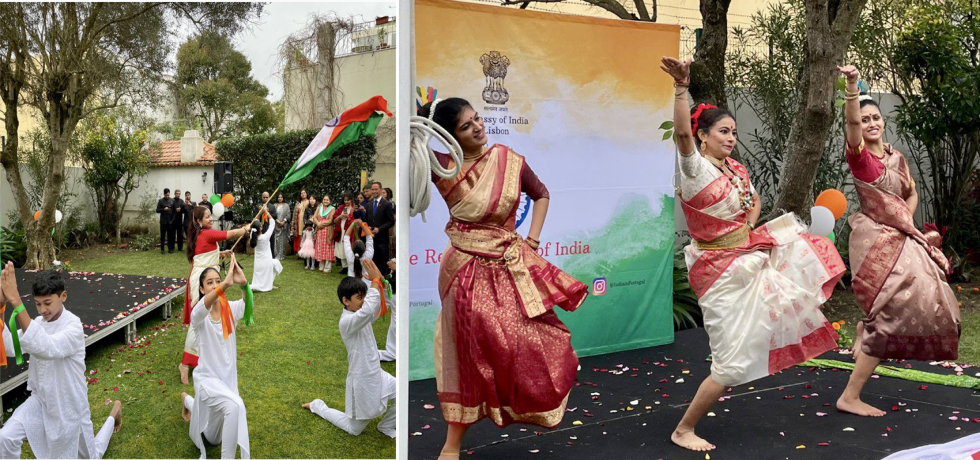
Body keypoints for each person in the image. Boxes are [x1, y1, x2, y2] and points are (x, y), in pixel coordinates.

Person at [660, 57, 846, 452]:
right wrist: (681, 86)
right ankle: (683, 430)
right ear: (703, 136)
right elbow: (679, 133)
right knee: (728, 363)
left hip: (745, 257)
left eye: (734, 131)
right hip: (717, 271)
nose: (731, 137)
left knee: (799, 265)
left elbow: (753, 201)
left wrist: (746, 228)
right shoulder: (696, 170)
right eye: (723, 131)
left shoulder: (735, 169)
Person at [418, 98, 589, 460]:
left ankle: (518, 407)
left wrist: (533, 240)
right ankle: (452, 444)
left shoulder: (508, 160)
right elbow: (413, 156)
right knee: (465, 354)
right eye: (466, 126)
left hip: (509, 267)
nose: (478, 126)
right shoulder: (440, 167)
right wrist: (417, 125)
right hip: (463, 269)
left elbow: (540, 194)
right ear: (452, 136)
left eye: (477, 118)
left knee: (524, 343)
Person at [835, 65, 960, 417]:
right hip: (874, 240)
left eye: (875, 117)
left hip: (901, 237)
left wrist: (904, 220)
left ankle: (865, 328)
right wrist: (851, 87)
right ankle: (850, 396)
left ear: (882, 121)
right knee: (889, 312)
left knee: (929, 298)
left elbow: (911, 193)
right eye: (864, 119)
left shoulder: (896, 157)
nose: (870, 122)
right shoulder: (859, 158)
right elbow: (851, 127)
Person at [0, 264, 122, 459]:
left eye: (47, 303)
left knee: (93, 455)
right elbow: (8, 346)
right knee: (5, 437)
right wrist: (1, 305)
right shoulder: (38, 324)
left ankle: (114, 411)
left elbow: (46, 347)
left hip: (69, 407)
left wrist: (16, 300)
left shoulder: (73, 326)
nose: (42, 310)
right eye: (38, 304)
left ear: (63, 296)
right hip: (40, 402)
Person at [302, 262, 396, 439]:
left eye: (364, 296)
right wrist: (375, 280)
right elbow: (369, 309)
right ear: (346, 301)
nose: (364, 301)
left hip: (376, 373)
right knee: (354, 429)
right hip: (362, 380)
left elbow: (382, 304)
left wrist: (382, 281)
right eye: (359, 297)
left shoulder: (361, 315)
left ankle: (387, 427)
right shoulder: (347, 321)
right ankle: (317, 406)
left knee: (402, 392)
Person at [180, 255, 251, 459]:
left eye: (218, 281)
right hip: (207, 382)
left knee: (213, 438)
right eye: (209, 283)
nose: (215, 285)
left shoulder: (230, 309)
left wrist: (244, 284)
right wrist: (224, 286)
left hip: (226, 384)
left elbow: (247, 306)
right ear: (202, 289)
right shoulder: (199, 316)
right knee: (235, 405)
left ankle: (186, 401)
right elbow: (199, 311)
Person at [180, 206, 251, 385]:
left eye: (211, 216)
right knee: (200, 319)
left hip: (203, 277)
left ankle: (198, 358)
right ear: (198, 221)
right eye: (207, 217)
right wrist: (244, 229)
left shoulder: (200, 234)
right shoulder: (208, 233)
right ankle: (185, 363)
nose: (211, 219)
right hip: (203, 282)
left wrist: (219, 254)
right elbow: (228, 234)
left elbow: (202, 254)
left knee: (205, 319)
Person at [365, 182, 394, 277]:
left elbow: (391, 221)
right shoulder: (369, 205)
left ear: (381, 190)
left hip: (382, 240)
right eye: (372, 189)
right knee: (373, 263)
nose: (374, 191)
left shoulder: (386, 204)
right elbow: (366, 220)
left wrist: (379, 229)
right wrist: (367, 227)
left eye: (376, 189)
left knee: (383, 265)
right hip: (371, 240)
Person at [250, 211, 281, 292]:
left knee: (275, 263)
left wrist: (260, 213)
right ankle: (268, 285)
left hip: (258, 263)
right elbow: (272, 223)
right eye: (261, 225)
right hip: (266, 262)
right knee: (275, 263)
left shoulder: (252, 236)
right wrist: (266, 212)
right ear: (260, 228)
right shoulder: (265, 237)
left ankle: (268, 284)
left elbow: (255, 222)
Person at [314, 195, 337, 273]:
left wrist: (321, 224)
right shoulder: (319, 208)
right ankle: (321, 267)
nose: (325, 201)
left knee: (327, 248)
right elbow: (314, 218)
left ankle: (327, 268)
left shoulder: (332, 209)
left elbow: (331, 220)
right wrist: (318, 224)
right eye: (324, 199)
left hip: (327, 231)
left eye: (327, 200)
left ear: (330, 201)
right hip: (320, 231)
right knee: (320, 248)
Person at [157, 188, 178, 254]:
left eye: (168, 195)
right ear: (164, 194)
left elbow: (175, 211)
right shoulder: (161, 201)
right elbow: (157, 210)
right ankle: (162, 250)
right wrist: (163, 209)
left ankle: (170, 249)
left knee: (170, 236)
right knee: (162, 236)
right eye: (166, 195)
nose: (167, 196)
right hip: (163, 222)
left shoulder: (172, 200)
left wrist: (173, 220)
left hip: (170, 222)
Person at [272, 193, 291, 261]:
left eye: (281, 197)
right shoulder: (274, 205)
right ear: (277, 198)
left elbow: (288, 215)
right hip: (276, 225)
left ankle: (281, 255)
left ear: (283, 198)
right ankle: (276, 255)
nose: (280, 198)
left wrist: (283, 222)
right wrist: (278, 222)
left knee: (282, 241)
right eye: (279, 197)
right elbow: (273, 215)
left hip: (283, 226)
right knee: (276, 241)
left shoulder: (286, 205)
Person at [293, 190, 310, 257]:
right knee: (298, 237)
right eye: (301, 193)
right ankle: (298, 253)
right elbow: (294, 214)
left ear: (306, 194)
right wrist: (293, 224)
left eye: (304, 193)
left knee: (306, 236)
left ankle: (306, 253)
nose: (303, 194)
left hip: (306, 221)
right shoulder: (298, 203)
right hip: (298, 221)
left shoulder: (309, 201)